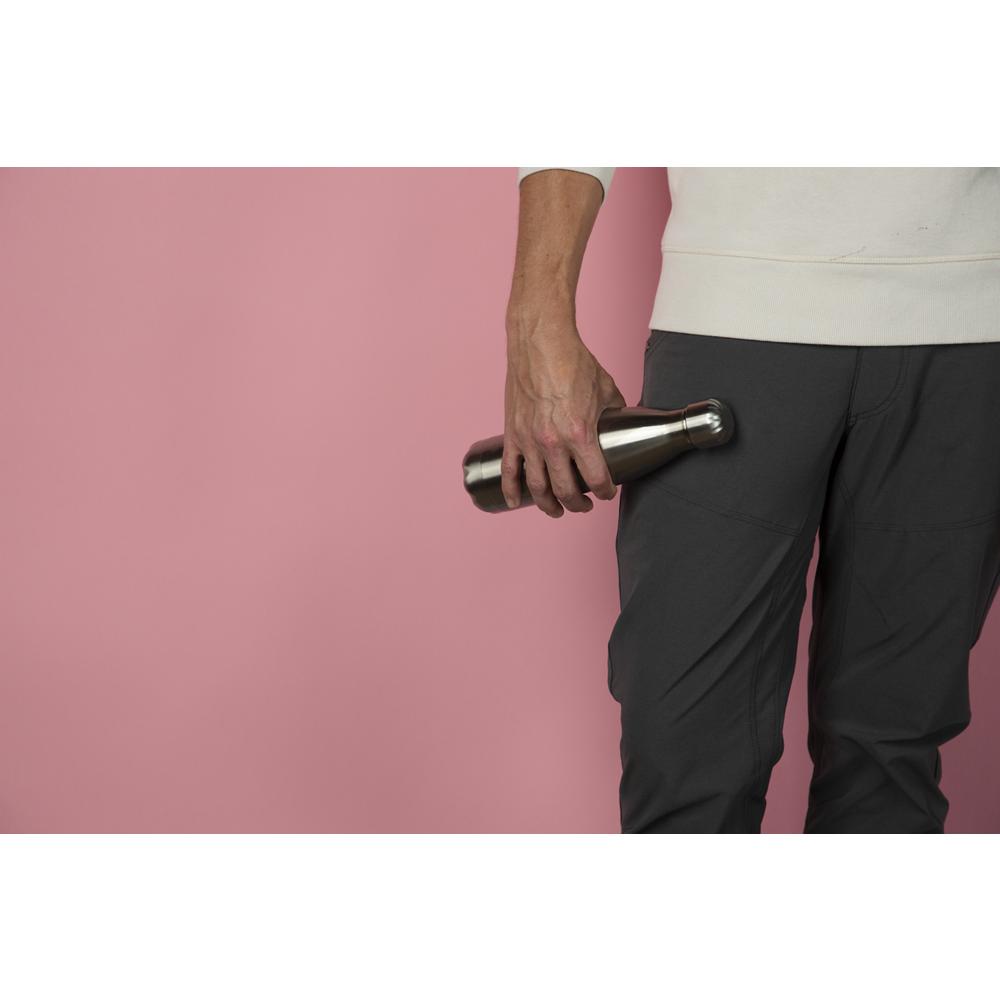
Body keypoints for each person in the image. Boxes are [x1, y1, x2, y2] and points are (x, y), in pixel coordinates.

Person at [503, 168, 1000, 833]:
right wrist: (536, 326)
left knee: (892, 766)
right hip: (734, 318)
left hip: (971, 329)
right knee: (683, 761)